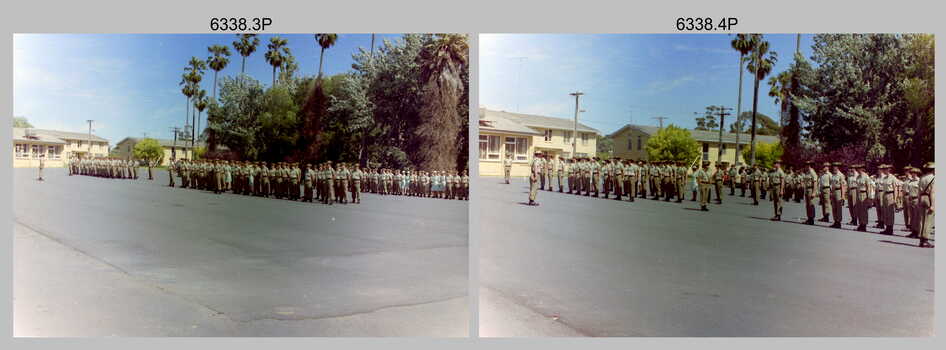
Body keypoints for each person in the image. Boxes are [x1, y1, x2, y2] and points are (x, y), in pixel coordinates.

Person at [916, 162, 934, 248]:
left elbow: (919, 191)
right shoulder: (933, 178)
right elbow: (933, 193)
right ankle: (925, 239)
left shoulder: (922, 178)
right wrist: (933, 205)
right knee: (928, 220)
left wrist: (918, 201)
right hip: (928, 199)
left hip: (922, 198)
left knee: (921, 219)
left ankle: (921, 240)